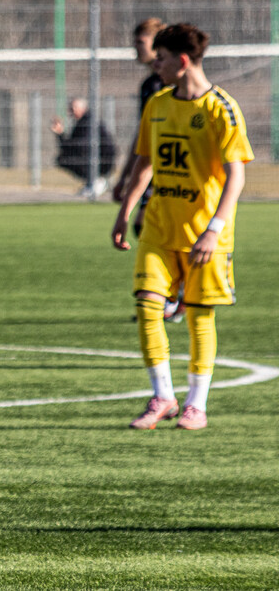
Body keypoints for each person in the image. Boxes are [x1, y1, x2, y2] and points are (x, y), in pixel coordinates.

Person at [111, 23, 254, 431]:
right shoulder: (157, 103)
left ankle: (196, 404)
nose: (155, 65)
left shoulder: (221, 108)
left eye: (161, 59)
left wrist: (214, 229)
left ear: (183, 60)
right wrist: (124, 213)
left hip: (205, 235)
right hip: (159, 227)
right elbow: (144, 163)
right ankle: (163, 396)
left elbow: (236, 176)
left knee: (199, 316)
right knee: (147, 305)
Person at [112, 18, 183, 322]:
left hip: (171, 171)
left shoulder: (170, 84)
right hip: (151, 167)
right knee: (145, 226)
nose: (136, 49)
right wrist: (124, 176)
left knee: (153, 226)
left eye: (141, 43)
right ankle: (166, 295)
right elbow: (143, 138)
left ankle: (172, 297)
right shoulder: (149, 86)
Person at [50, 97, 117, 198]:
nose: (70, 111)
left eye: (73, 108)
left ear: (82, 108)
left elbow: (79, 147)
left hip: (102, 160)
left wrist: (61, 135)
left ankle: (97, 181)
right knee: (63, 159)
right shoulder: (81, 122)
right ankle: (91, 182)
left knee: (67, 159)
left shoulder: (88, 122)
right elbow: (71, 147)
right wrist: (60, 134)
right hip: (93, 157)